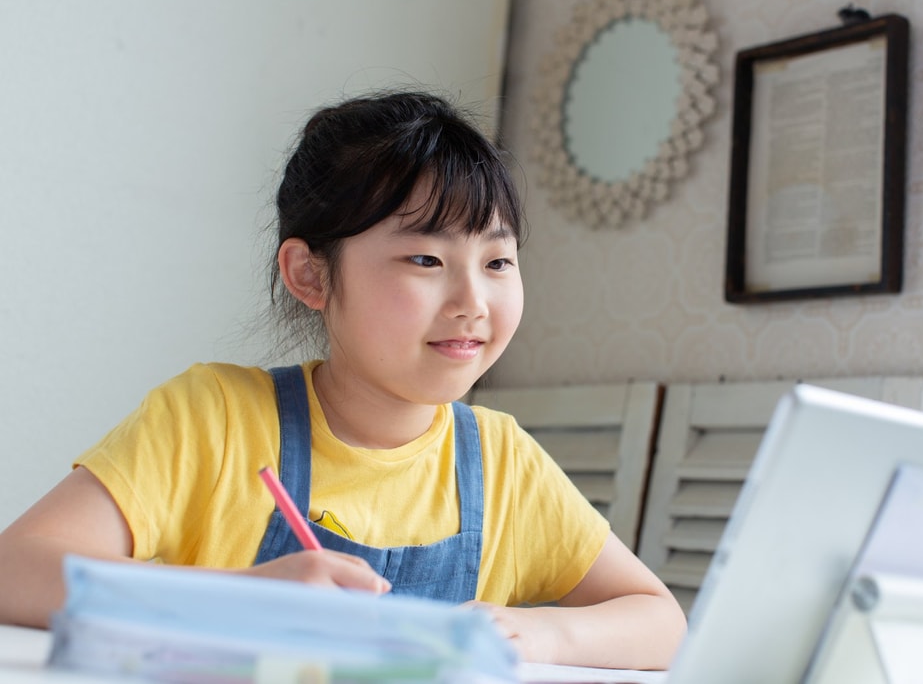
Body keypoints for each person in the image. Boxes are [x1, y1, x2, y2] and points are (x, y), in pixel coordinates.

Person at [0, 90, 686, 669]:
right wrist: (242, 597)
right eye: (425, 258)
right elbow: (14, 568)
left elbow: (660, 620)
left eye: (498, 262)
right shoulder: (214, 417)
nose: (473, 300)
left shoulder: (502, 461)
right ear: (310, 274)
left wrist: (541, 631)